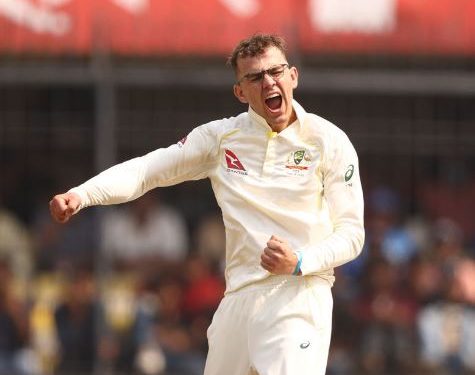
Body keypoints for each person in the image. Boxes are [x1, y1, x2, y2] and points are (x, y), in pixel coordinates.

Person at [49, 33, 365, 375]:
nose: (269, 82)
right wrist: (82, 194)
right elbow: (147, 170)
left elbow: (352, 234)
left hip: (299, 294)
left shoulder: (327, 140)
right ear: (240, 92)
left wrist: (300, 260)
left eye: (276, 72)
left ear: (293, 76)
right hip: (238, 299)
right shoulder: (221, 139)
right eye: (255, 77)